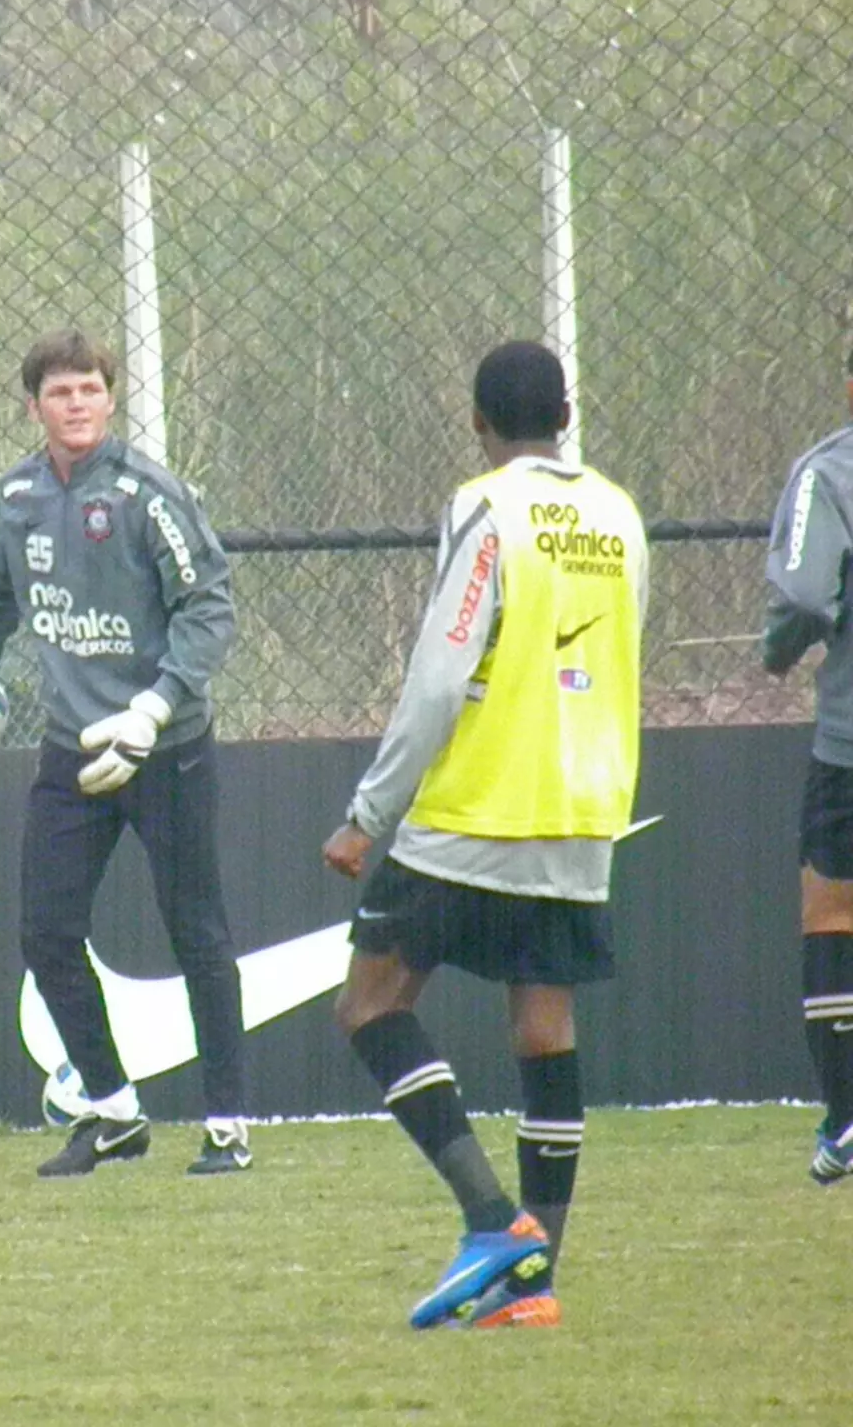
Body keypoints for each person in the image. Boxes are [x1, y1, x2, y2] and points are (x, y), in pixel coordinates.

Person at [320, 340, 648, 1331]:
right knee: (542, 1025)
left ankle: (490, 1223)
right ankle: (534, 1285)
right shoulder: (617, 513)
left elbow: (436, 674)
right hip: (585, 805)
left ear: (476, 421)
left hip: (476, 805)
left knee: (370, 1005)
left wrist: (367, 814)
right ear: (566, 410)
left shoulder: (485, 508)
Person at [0, 327, 249, 1178]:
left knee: (197, 935)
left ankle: (227, 1126)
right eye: (61, 393)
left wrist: (154, 706)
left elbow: (209, 609)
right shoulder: (17, 499)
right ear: (34, 407)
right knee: (47, 933)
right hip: (72, 753)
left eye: (91, 390)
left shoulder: (149, 495)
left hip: (163, 747)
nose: (77, 405)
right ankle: (114, 1112)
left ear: (111, 398)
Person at [762, 349, 853, 1189]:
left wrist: (778, 652)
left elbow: (799, 598)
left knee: (831, 913)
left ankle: (847, 1118)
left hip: (849, 744)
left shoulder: (831, 473)